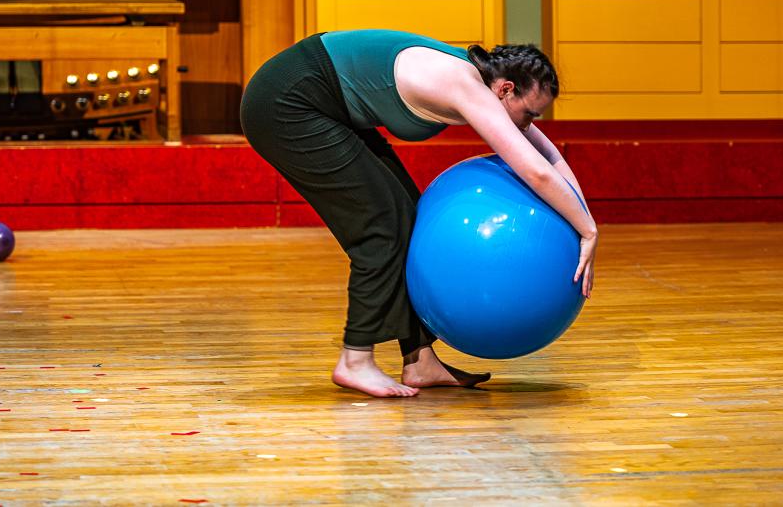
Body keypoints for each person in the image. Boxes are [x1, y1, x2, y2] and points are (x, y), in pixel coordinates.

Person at [240, 30, 598, 398]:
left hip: (327, 107)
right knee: (380, 229)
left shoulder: (487, 88)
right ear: (506, 89)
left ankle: (419, 361)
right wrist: (586, 232)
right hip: (285, 103)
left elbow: (551, 158)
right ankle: (355, 359)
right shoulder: (466, 87)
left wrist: (586, 221)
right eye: (529, 113)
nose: (528, 124)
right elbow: (536, 172)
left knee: (409, 219)